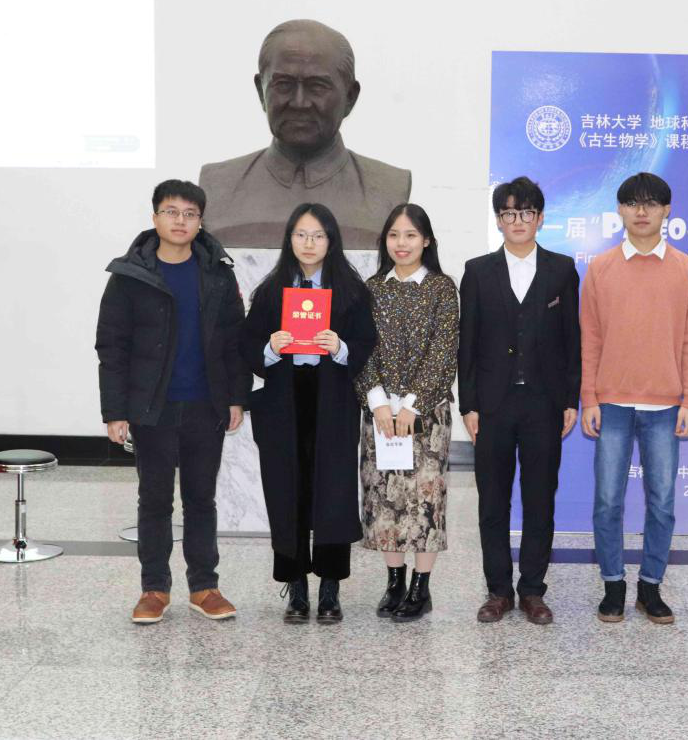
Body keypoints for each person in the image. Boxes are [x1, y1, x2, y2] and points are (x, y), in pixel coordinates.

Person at [95, 179, 249, 625]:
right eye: (171, 212)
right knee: (155, 500)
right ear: (155, 217)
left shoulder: (217, 273)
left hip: (206, 404)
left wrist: (236, 398)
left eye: (190, 214)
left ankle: (204, 587)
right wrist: (115, 411)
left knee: (201, 499)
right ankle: (154, 589)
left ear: (200, 221)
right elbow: (112, 346)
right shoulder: (129, 276)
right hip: (152, 408)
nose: (180, 221)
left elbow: (235, 342)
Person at [580, 172, 688, 625]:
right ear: (619, 210)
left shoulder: (686, 269)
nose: (641, 211)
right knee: (607, 503)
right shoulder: (601, 268)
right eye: (632, 203)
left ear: (666, 210)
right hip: (612, 404)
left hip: (666, 407)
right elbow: (590, 339)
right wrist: (589, 398)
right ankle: (613, 586)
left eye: (651, 203)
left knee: (662, 503)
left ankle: (650, 587)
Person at [243, 203, 377, 623]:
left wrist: (340, 348)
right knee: (289, 493)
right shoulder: (271, 291)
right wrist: (271, 348)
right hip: (284, 403)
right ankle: (296, 588)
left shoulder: (351, 291)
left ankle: (331, 590)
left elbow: (367, 343)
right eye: (301, 234)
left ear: (331, 241)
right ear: (289, 239)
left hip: (332, 401)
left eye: (318, 235)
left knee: (333, 494)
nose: (309, 243)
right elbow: (248, 346)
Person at [458, 176, 580, 625]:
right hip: (492, 404)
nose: (517, 221)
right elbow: (467, 344)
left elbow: (572, 339)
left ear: (540, 218)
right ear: (498, 220)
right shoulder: (478, 271)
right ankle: (497, 591)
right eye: (508, 213)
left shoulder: (562, 270)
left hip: (544, 404)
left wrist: (570, 399)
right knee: (492, 501)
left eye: (526, 212)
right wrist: (468, 404)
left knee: (539, 500)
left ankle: (532, 590)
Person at [200, 19, 411, 249]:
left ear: (350, 97)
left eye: (317, 86)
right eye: (284, 84)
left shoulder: (389, 187)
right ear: (261, 91)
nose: (299, 103)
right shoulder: (218, 184)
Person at [355, 204, 458, 622]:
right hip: (379, 415)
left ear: (426, 241)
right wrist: (378, 400)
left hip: (426, 416)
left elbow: (443, 350)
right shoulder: (371, 288)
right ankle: (394, 581)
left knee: (425, 503)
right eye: (394, 235)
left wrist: (412, 403)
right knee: (384, 501)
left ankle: (421, 587)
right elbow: (361, 347)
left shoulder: (441, 288)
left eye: (411, 235)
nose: (402, 243)